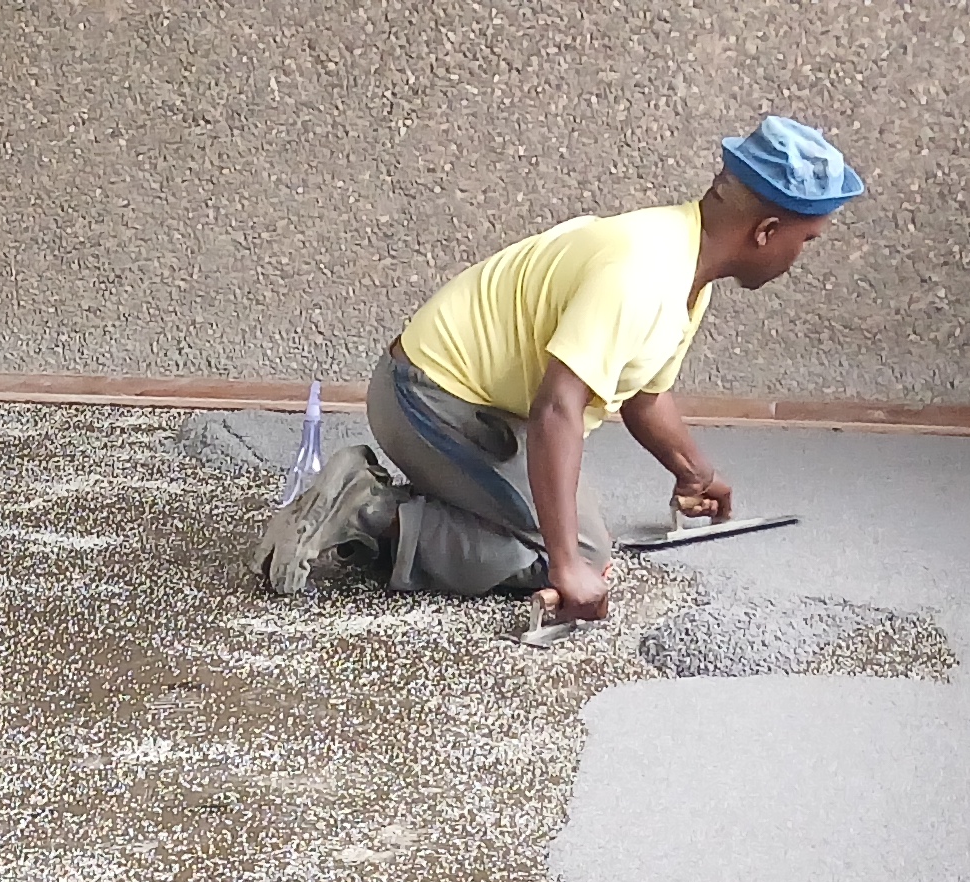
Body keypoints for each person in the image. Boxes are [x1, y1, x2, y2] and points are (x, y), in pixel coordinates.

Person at [256, 116, 864, 620]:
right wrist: (569, 565)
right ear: (766, 231)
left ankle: (422, 516)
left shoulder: (684, 265)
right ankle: (366, 511)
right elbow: (557, 409)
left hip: (482, 404)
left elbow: (644, 396)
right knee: (569, 557)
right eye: (807, 241)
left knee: (576, 545)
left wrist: (694, 472)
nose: (802, 255)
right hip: (431, 399)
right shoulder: (643, 274)